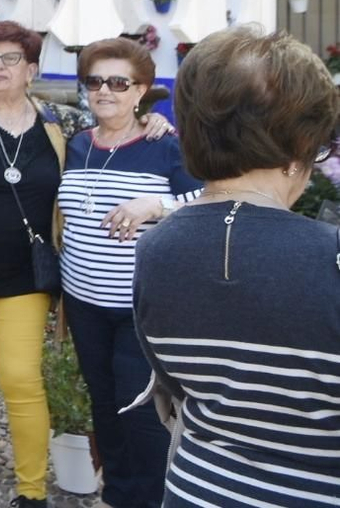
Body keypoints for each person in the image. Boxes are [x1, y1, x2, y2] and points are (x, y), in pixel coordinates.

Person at [0, 21, 171, 508]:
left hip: (29, 275)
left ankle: (31, 489)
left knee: (19, 378)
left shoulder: (62, 123)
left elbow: (114, 132)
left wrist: (153, 122)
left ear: (32, 70)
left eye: (10, 59)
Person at [131, 27, 340, 507]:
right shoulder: (328, 258)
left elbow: (178, 382)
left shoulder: (155, 248)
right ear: (299, 145)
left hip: (197, 487)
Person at [57, 38, 198, 508]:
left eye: (119, 82)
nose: (106, 91)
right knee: (103, 403)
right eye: (95, 82)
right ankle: (116, 494)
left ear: (141, 91)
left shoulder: (164, 146)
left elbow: (208, 202)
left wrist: (154, 205)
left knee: (138, 410)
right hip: (82, 301)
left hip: (140, 306)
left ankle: (152, 498)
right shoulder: (78, 143)